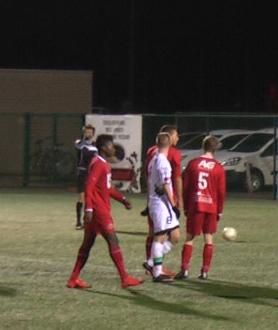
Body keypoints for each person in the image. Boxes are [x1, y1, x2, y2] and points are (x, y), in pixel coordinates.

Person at [67, 134, 144, 289]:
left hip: (96, 210)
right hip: (98, 211)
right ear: (104, 148)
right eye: (111, 146)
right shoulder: (99, 164)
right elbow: (89, 186)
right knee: (113, 240)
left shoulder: (102, 163)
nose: (113, 149)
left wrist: (122, 199)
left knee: (87, 245)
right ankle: (125, 278)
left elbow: (107, 188)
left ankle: (73, 279)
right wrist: (89, 208)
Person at [179, 135, 226, 280]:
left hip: (196, 205)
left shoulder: (193, 164)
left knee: (190, 237)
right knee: (208, 238)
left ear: (203, 146)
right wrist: (219, 211)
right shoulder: (218, 168)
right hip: (211, 207)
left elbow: (186, 187)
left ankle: (184, 269)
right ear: (215, 149)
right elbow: (221, 192)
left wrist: (186, 206)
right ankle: (205, 271)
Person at [142, 124, 182, 276]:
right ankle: (157, 271)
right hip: (162, 204)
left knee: (175, 236)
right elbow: (168, 182)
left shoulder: (152, 156)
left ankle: (151, 262)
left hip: (159, 202)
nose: (178, 138)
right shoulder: (164, 160)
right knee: (160, 236)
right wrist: (175, 204)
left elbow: (150, 181)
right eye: (176, 135)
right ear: (170, 140)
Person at [73, 124, 98, 230]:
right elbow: (79, 147)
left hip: (93, 174)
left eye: (91, 132)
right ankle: (78, 222)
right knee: (81, 197)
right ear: (84, 133)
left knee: (93, 197)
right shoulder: (80, 143)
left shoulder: (95, 145)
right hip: (83, 173)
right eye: (87, 132)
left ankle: (91, 222)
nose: (89, 134)